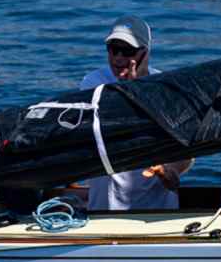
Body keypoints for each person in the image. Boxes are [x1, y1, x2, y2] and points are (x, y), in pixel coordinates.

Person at [78, 15, 191, 210]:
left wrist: (171, 171)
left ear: (144, 53)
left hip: (155, 207)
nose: (118, 58)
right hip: (104, 207)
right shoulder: (92, 83)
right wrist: (132, 89)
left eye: (127, 51)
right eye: (113, 49)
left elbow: (186, 150)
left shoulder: (166, 88)